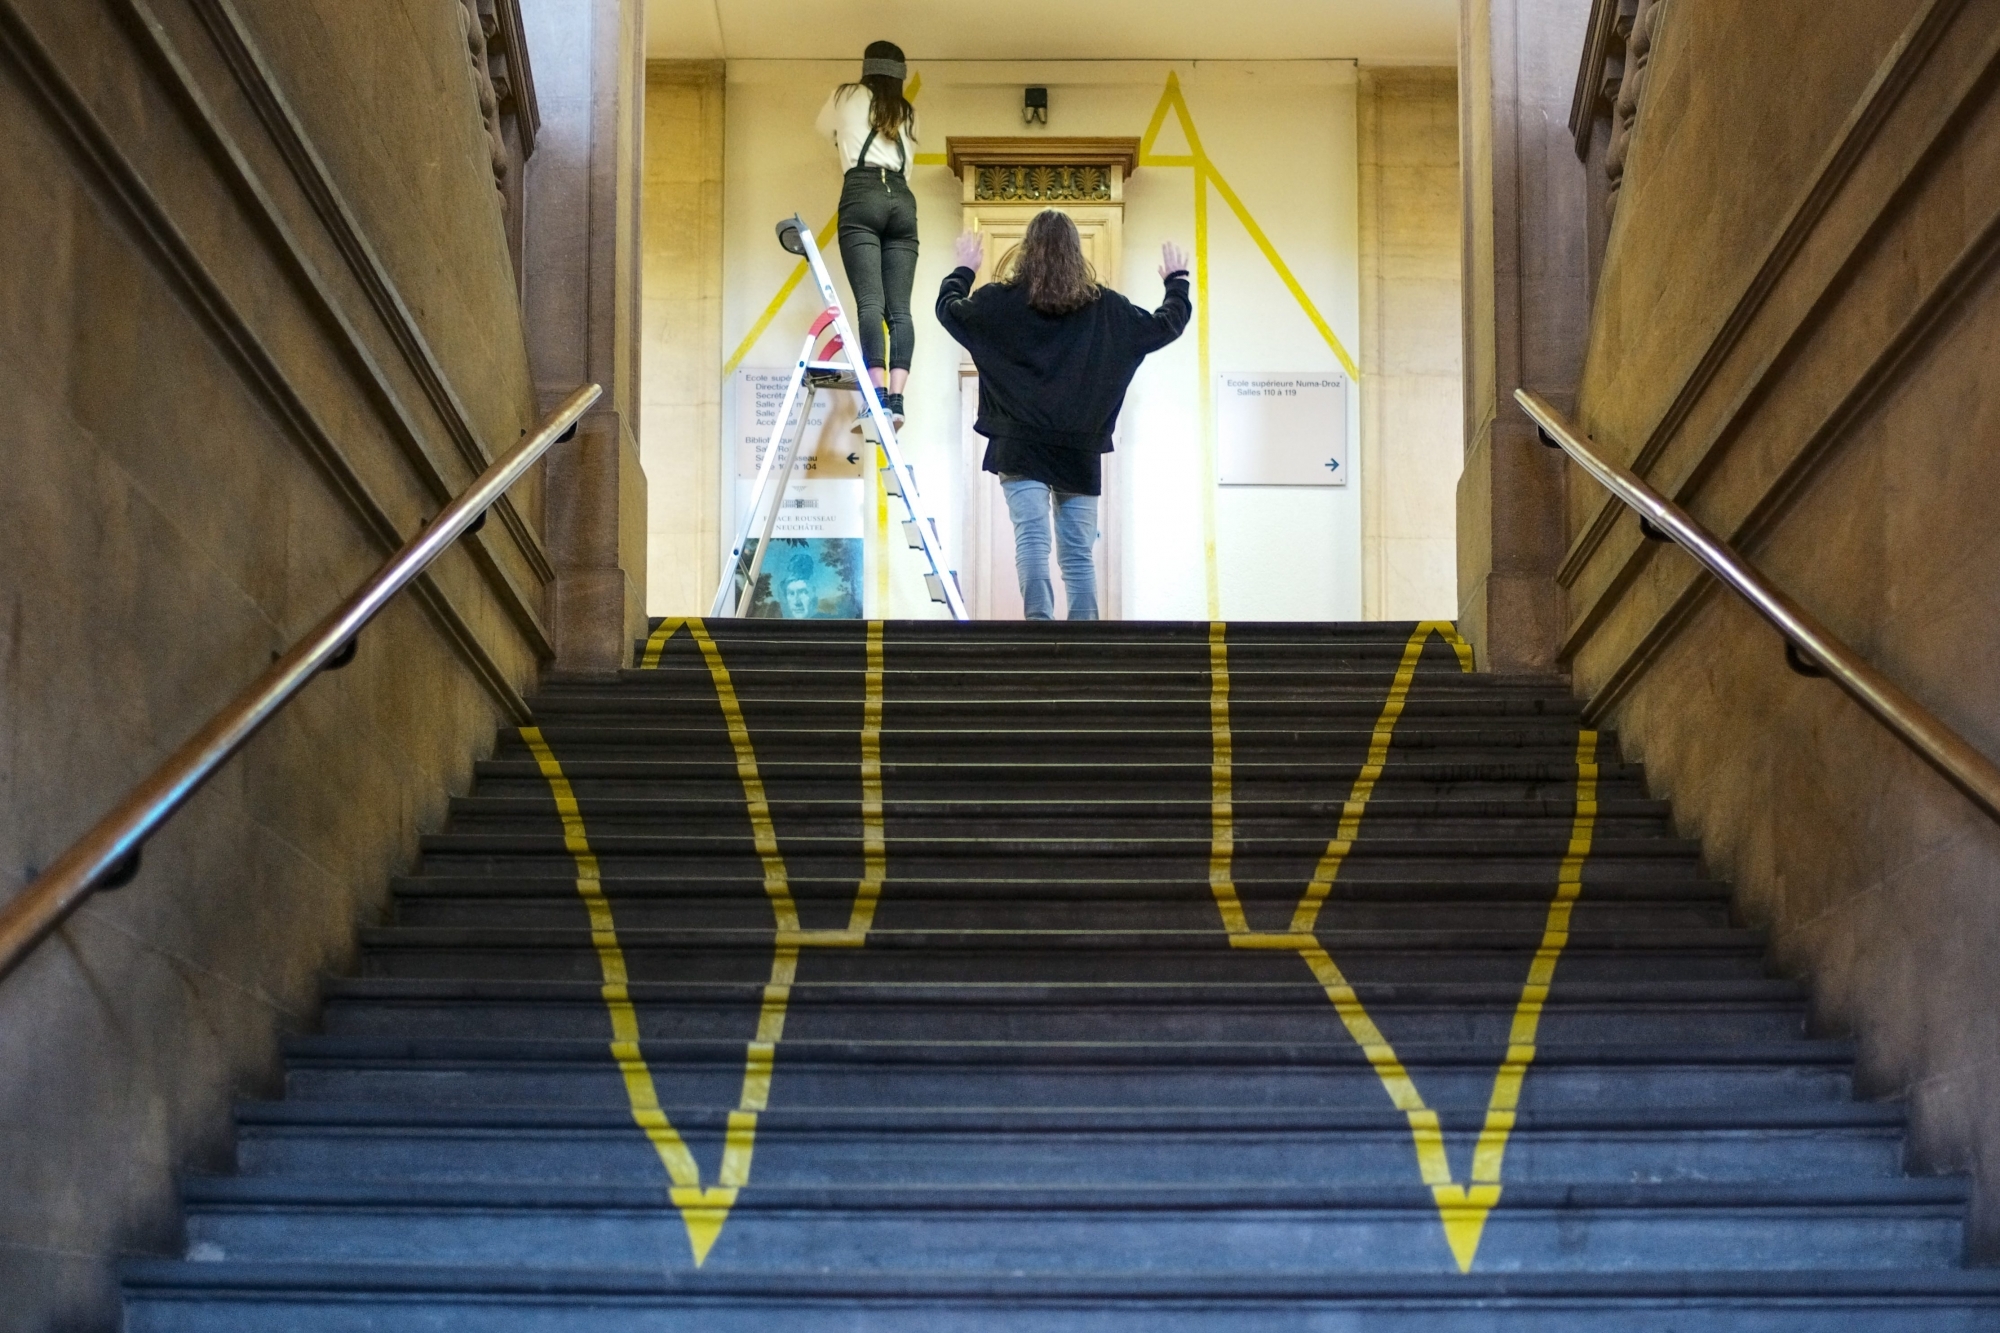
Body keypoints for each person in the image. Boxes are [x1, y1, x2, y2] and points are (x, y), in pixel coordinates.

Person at [937, 212, 1191, 620]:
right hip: (1078, 447)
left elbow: (948, 309)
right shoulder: (1106, 308)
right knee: (1077, 555)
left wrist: (964, 269)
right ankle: (1084, 647)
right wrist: (1176, 282)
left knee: (1032, 542)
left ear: (1027, 252)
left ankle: (1039, 631)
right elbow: (1165, 326)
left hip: (1019, 446)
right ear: (1076, 252)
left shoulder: (998, 303)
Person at [815, 41, 919, 429]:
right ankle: (898, 399)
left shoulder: (847, 95)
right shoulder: (908, 113)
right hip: (902, 200)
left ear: (867, 68)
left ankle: (876, 398)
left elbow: (824, 128)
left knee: (870, 303)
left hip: (862, 193)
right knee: (900, 310)